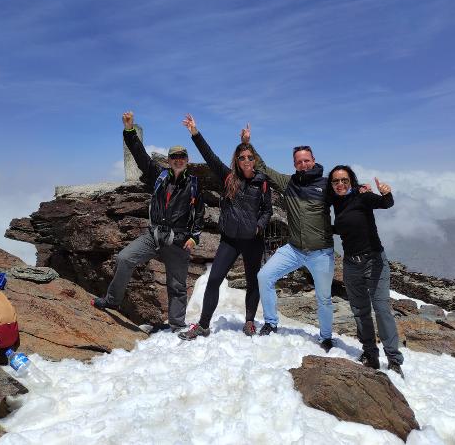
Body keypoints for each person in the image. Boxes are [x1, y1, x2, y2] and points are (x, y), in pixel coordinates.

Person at [91, 111, 204, 333]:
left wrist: (195, 237)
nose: (178, 159)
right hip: (153, 235)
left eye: (182, 156)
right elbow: (140, 155)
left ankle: (177, 324)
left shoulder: (194, 184)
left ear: (187, 161)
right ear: (169, 160)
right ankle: (113, 300)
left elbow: (199, 213)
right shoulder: (158, 176)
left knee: (177, 285)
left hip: (178, 239)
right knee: (125, 258)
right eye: (174, 157)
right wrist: (129, 130)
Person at [241, 125, 336, 351]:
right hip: (293, 250)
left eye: (306, 160)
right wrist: (246, 144)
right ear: (294, 164)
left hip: (320, 252)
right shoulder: (289, 183)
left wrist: (363, 192)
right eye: (299, 162)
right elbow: (263, 167)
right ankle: (271, 323)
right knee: (264, 277)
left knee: (324, 298)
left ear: (313, 160)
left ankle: (326, 337)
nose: (303, 165)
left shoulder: (326, 185)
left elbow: (346, 195)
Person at [178, 114, 272, 340]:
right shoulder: (229, 178)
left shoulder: (263, 181)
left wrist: (259, 226)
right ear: (237, 161)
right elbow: (209, 156)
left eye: (250, 156)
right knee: (214, 280)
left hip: (253, 240)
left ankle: (249, 321)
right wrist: (194, 133)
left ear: (255, 159)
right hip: (230, 239)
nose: (247, 160)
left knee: (253, 281)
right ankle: (203, 325)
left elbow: (267, 210)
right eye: (242, 157)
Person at [327, 165, 404, 377]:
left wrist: (386, 192)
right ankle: (370, 354)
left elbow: (386, 204)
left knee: (381, 309)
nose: (340, 184)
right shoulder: (335, 200)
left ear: (351, 181)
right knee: (360, 311)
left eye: (344, 180)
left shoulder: (363, 197)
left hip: (374, 261)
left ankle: (394, 360)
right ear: (331, 184)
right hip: (351, 264)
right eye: (336, 181)